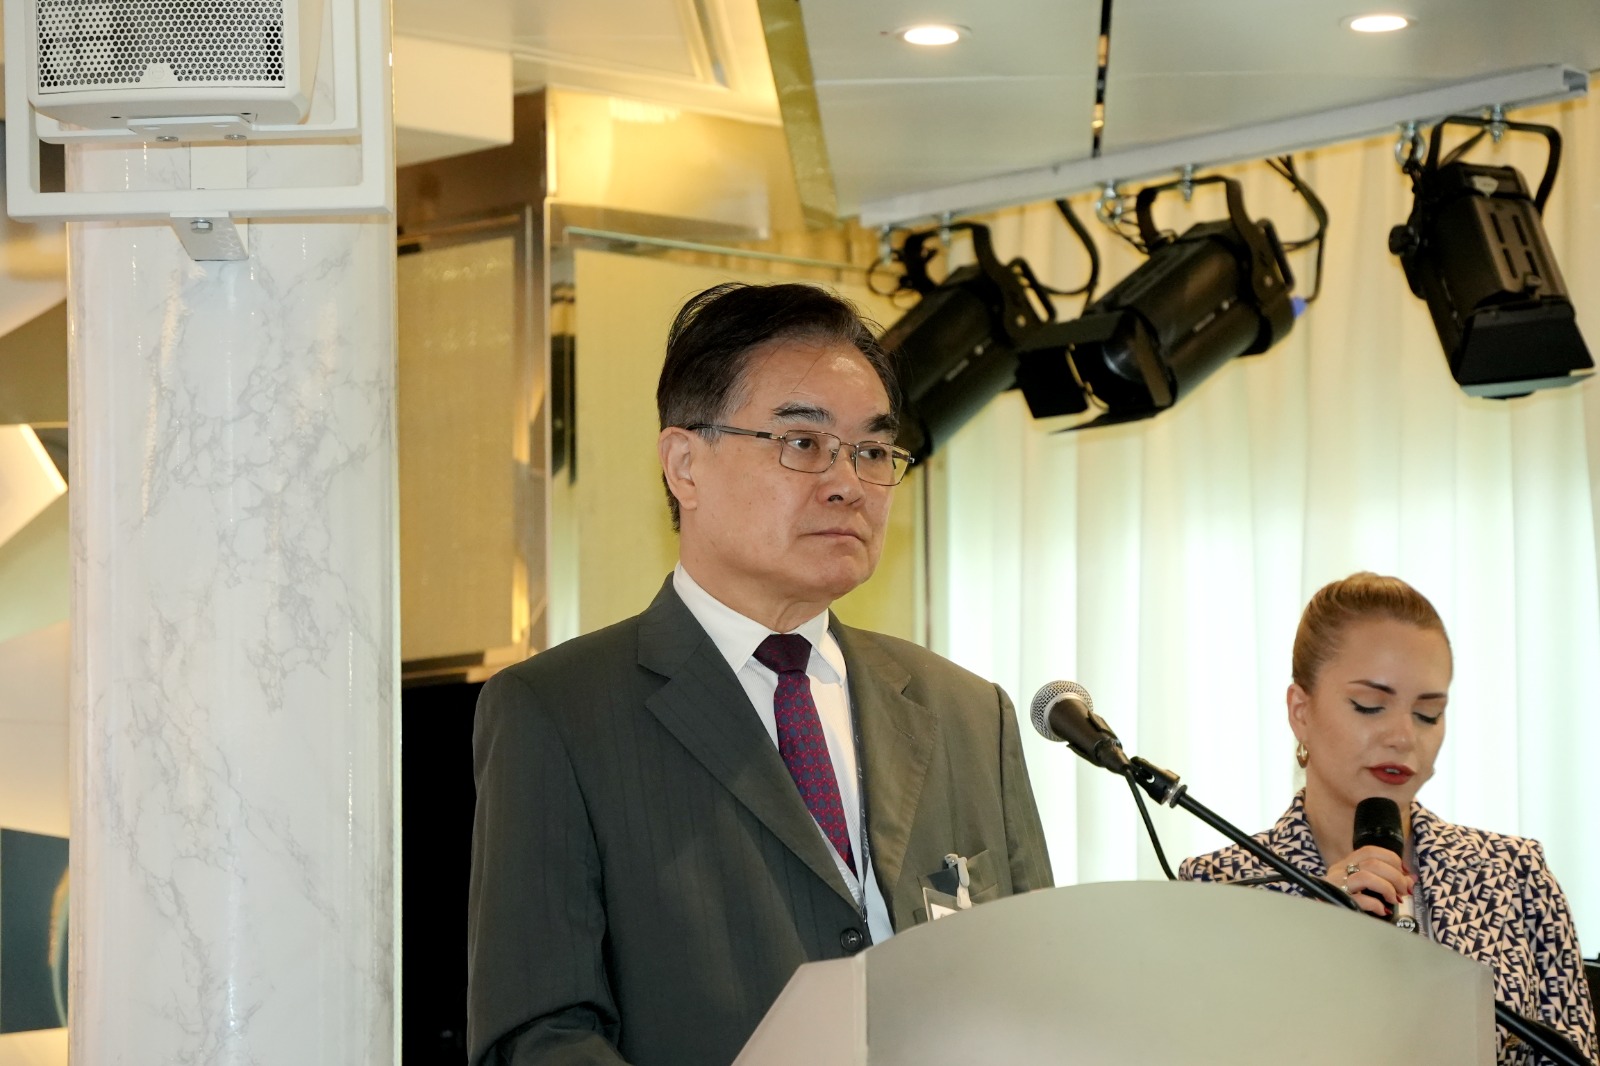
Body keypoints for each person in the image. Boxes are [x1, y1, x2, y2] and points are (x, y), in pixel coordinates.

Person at [467, 282, 1053, 1066]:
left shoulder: (968, 713)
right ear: (685, 465)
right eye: (802, 443)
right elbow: (540, 1035)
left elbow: (1038, 988)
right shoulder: (560, 711)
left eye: (872, 451)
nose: (848, 483)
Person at [1179, 572, 1597, 1065]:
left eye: (1428, 714)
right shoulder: (1217, 889)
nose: (1403, 736)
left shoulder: (1515, 874)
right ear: (1301, 711)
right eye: (1370, 706)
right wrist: (1310, 928)